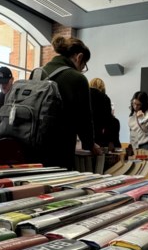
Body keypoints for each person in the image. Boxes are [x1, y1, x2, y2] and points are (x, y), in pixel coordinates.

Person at [32, 36, 100, 169]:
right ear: (79, 57)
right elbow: (84, 119)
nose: (82, 69)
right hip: (59, 152)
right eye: (83, 65)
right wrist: (90, 144)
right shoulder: (77, 78)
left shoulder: (37, 73)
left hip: (32, 149)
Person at [88, 78, 115, 150]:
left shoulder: (84, 94)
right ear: (102, 87)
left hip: (85, 134)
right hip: (100, 135)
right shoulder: (105, 98)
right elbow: (108, 121)